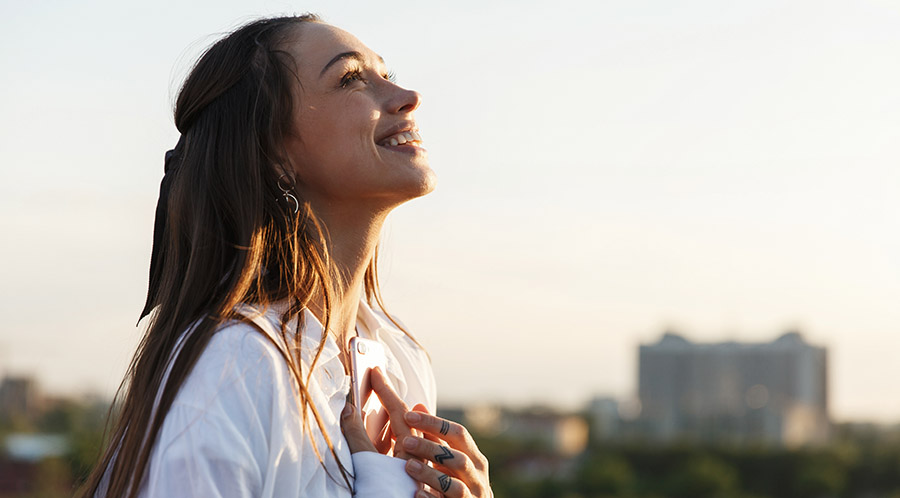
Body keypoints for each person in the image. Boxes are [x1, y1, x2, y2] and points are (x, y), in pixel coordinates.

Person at [77, 14, 492, 498]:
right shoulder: (235, 366)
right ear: (274, 151)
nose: (406, 96)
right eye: (351, 78)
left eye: (388, 74)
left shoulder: (402, 360)